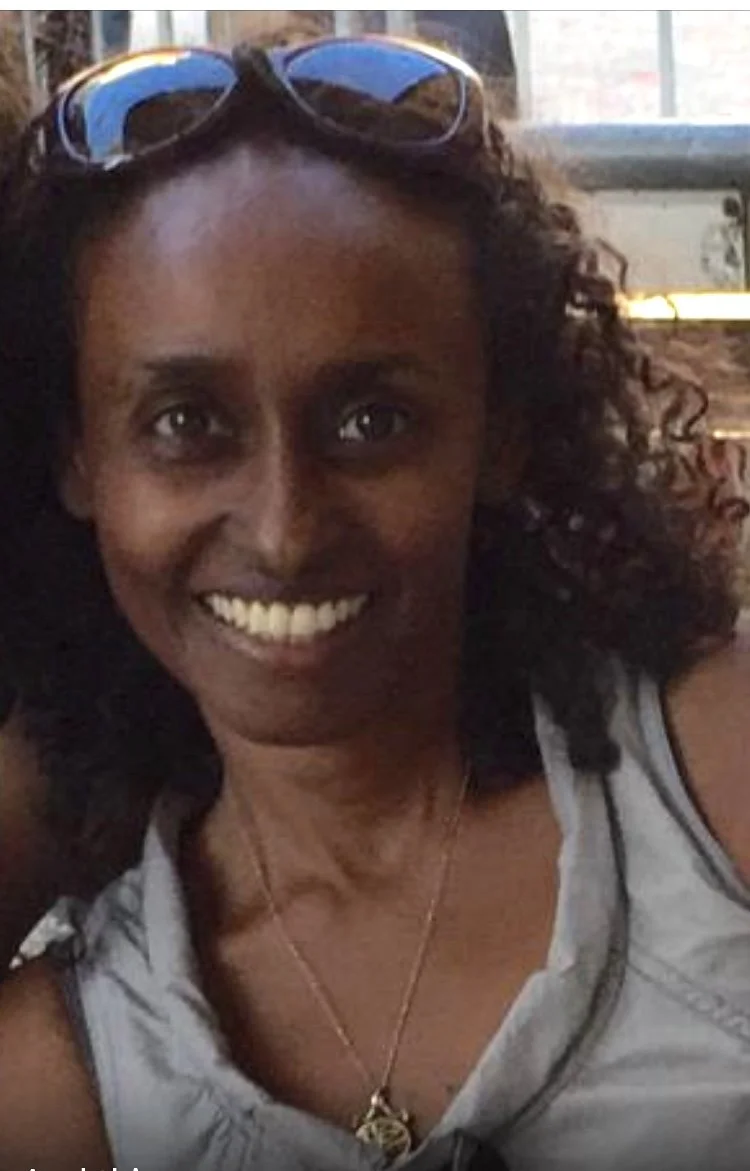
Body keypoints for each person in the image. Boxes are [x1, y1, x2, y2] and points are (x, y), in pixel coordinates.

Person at [0, 32, 748, 1171]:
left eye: (371, 421)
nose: (286, 528)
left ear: (500, 434)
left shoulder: (709, 785)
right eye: (185, 423)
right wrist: (62, 747)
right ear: (76, 459)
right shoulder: (68, 1078)